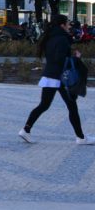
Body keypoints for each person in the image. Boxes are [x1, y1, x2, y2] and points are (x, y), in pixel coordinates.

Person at [19, 14, 94, 144]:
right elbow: (60, 59)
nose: (70, 26)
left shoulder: (50, 37)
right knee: (72, 106)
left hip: (50, 75)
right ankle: (81, 138)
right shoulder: (62, 39)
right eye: (68, 23)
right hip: (61, 78)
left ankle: (26, 130)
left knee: (44, 105)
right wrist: (76, 57)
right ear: (62, 25)